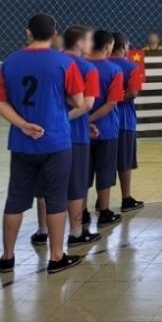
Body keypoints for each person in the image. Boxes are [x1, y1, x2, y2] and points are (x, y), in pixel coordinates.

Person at [0, 14, 86, 274]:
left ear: (27, 32)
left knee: (15, 199)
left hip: (22, 142)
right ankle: (56, 256)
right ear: (54, 33)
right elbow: (79, 101)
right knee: (56, 198)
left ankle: (7, 256)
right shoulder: (64, 63)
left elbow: (2, 103)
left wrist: (24, 124)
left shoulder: (10, 63)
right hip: (56, 140)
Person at [29, 26, 103, 249]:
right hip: (73, 135)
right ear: (80, 42)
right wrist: (61, 120)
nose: (91, 45)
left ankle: (42, 231)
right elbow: (87, 104)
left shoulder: (50, 63)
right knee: (75, 185)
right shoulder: (87, 68)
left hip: (42, 134)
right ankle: (76, 232)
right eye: (88, 41)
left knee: (45, 184)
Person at [87, 30, 125, 229]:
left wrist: (83, 120)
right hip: (107, 129)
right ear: (108, 46)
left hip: (80, 131)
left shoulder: (79, 67)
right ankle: (104, 211)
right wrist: (91, 119)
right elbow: (111, 103)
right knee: (105, 171)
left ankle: (81, 213)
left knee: (83, 172)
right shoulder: (114, 70)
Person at [110, 33, 145, 212]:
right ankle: (126, 198)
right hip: (124, 119)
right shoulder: (130, 66)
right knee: (124, 162)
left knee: (105, 162)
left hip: (104, 120)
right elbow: (132, 93)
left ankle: (102, 201)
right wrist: (115, 99)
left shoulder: (100, 65)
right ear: (124, 46)